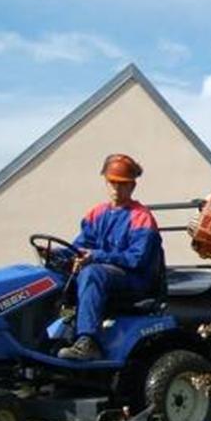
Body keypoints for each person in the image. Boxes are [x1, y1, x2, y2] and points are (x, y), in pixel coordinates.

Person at [57, 153, 164, 361]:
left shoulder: (141, 217)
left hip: (135, 281)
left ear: (132, 186)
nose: (116, 188)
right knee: (55, 271)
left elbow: (136, 259)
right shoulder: (96, 213)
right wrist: (59, 254)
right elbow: (80, 246)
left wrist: (96, 256)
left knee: (92, 273)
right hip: (107, 275)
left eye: (122, 184)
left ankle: (88, 341)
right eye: (112, 183)